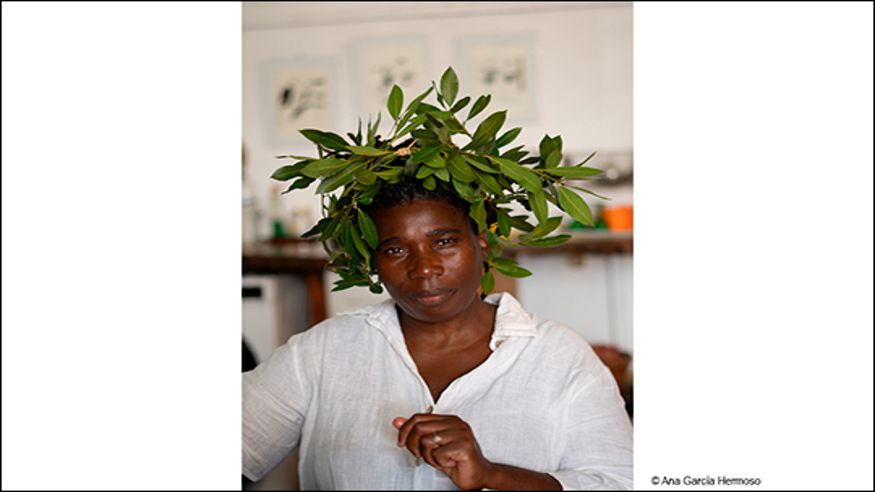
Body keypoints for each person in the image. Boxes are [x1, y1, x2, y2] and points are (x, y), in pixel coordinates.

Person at [242, 177, 633, 490]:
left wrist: (491, 475)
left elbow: (618, 483)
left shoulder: (559, 357)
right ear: (373, 263)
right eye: (395, 250)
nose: (424, 268)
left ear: (481, 244)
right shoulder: (322, 352)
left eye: (443, 242)